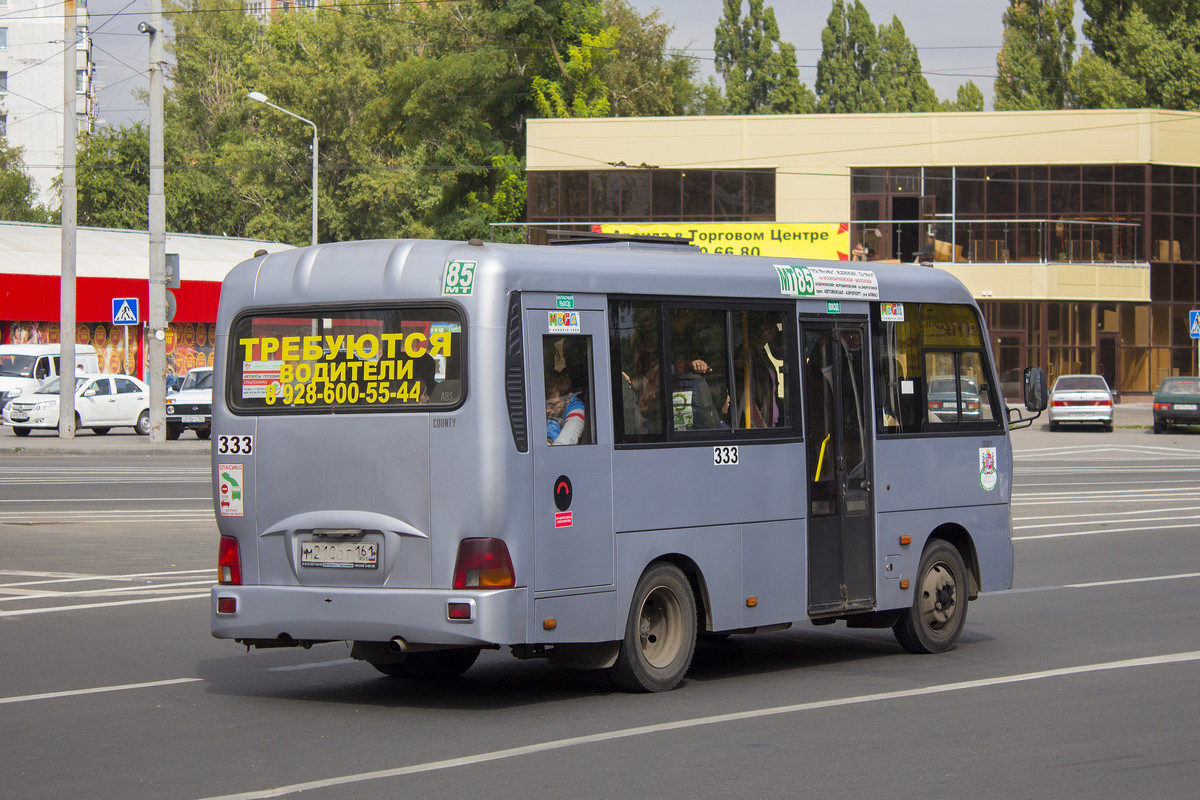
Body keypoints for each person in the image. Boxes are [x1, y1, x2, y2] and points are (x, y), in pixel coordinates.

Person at [545, 371, 585, 445]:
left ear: (568, 398)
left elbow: (565, 442)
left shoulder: (576, 411)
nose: (547, 410)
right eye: (545, 404)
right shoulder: (550, 410)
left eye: (553, 404)